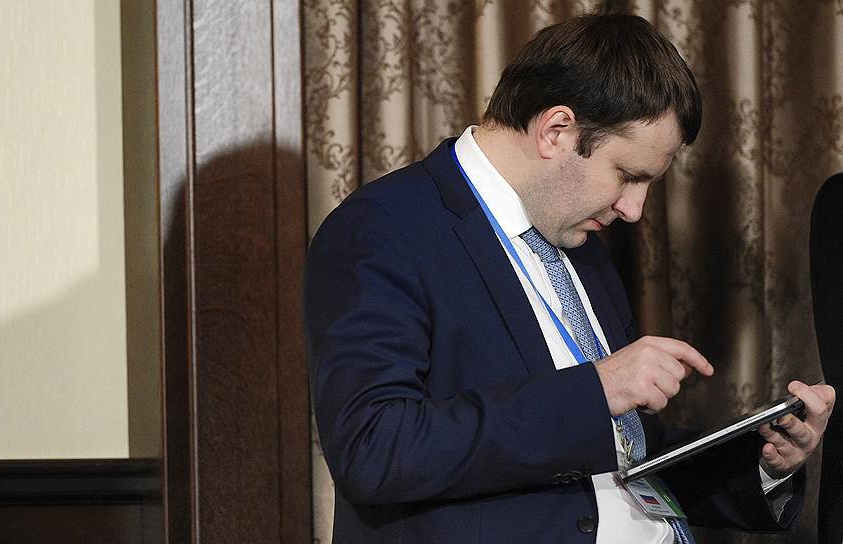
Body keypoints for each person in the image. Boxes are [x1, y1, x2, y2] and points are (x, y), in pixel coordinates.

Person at [304, 12, 835, 543]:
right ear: (556, 131)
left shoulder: (579, 239)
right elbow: (373, 448)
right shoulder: (382, 229)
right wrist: (596, 390)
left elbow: (625, 457)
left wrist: (764, 466)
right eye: (627, 176)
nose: (634, 209)